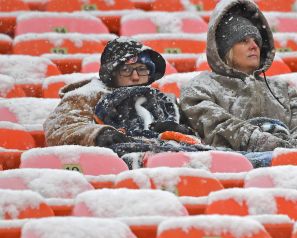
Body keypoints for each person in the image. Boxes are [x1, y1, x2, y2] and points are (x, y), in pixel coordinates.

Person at [180, 0, 297, 153]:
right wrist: (270, 145)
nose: (254, 46)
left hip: (289, 167)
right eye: (244, 41)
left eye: (256, 40)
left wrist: (291, 151)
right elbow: (217, 126)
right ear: (226, 50)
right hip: (235, 167)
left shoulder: (283, 90)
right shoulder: (199, 88)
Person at [43, 37, 205, 167]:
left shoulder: (162, 99)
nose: (135, 76)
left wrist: (182, 130)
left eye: (142, 69)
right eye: (126, 70)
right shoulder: (87, 94)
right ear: (111, 72)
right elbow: (58, 129)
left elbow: (199, 138)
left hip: (167, 159)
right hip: (111, 164)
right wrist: (98, 134)